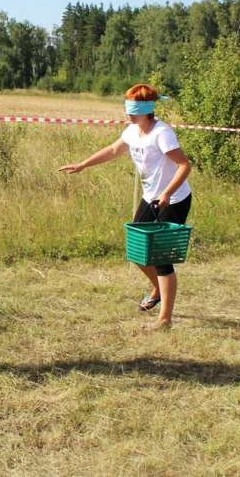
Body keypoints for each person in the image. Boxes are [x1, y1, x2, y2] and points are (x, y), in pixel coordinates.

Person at [59, 83, 191, 330]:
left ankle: (165, 320)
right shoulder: (132, 130)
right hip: (151, 197)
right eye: (127, 108)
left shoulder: (162, 133)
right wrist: (82, 165)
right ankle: (157, 289)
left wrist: (167, 193)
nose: (128, 113)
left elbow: (185, 165)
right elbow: (113, 150)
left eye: (133, 108)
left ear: (146, 109)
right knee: (137, 250)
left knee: (162, 258)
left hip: (173, 199)